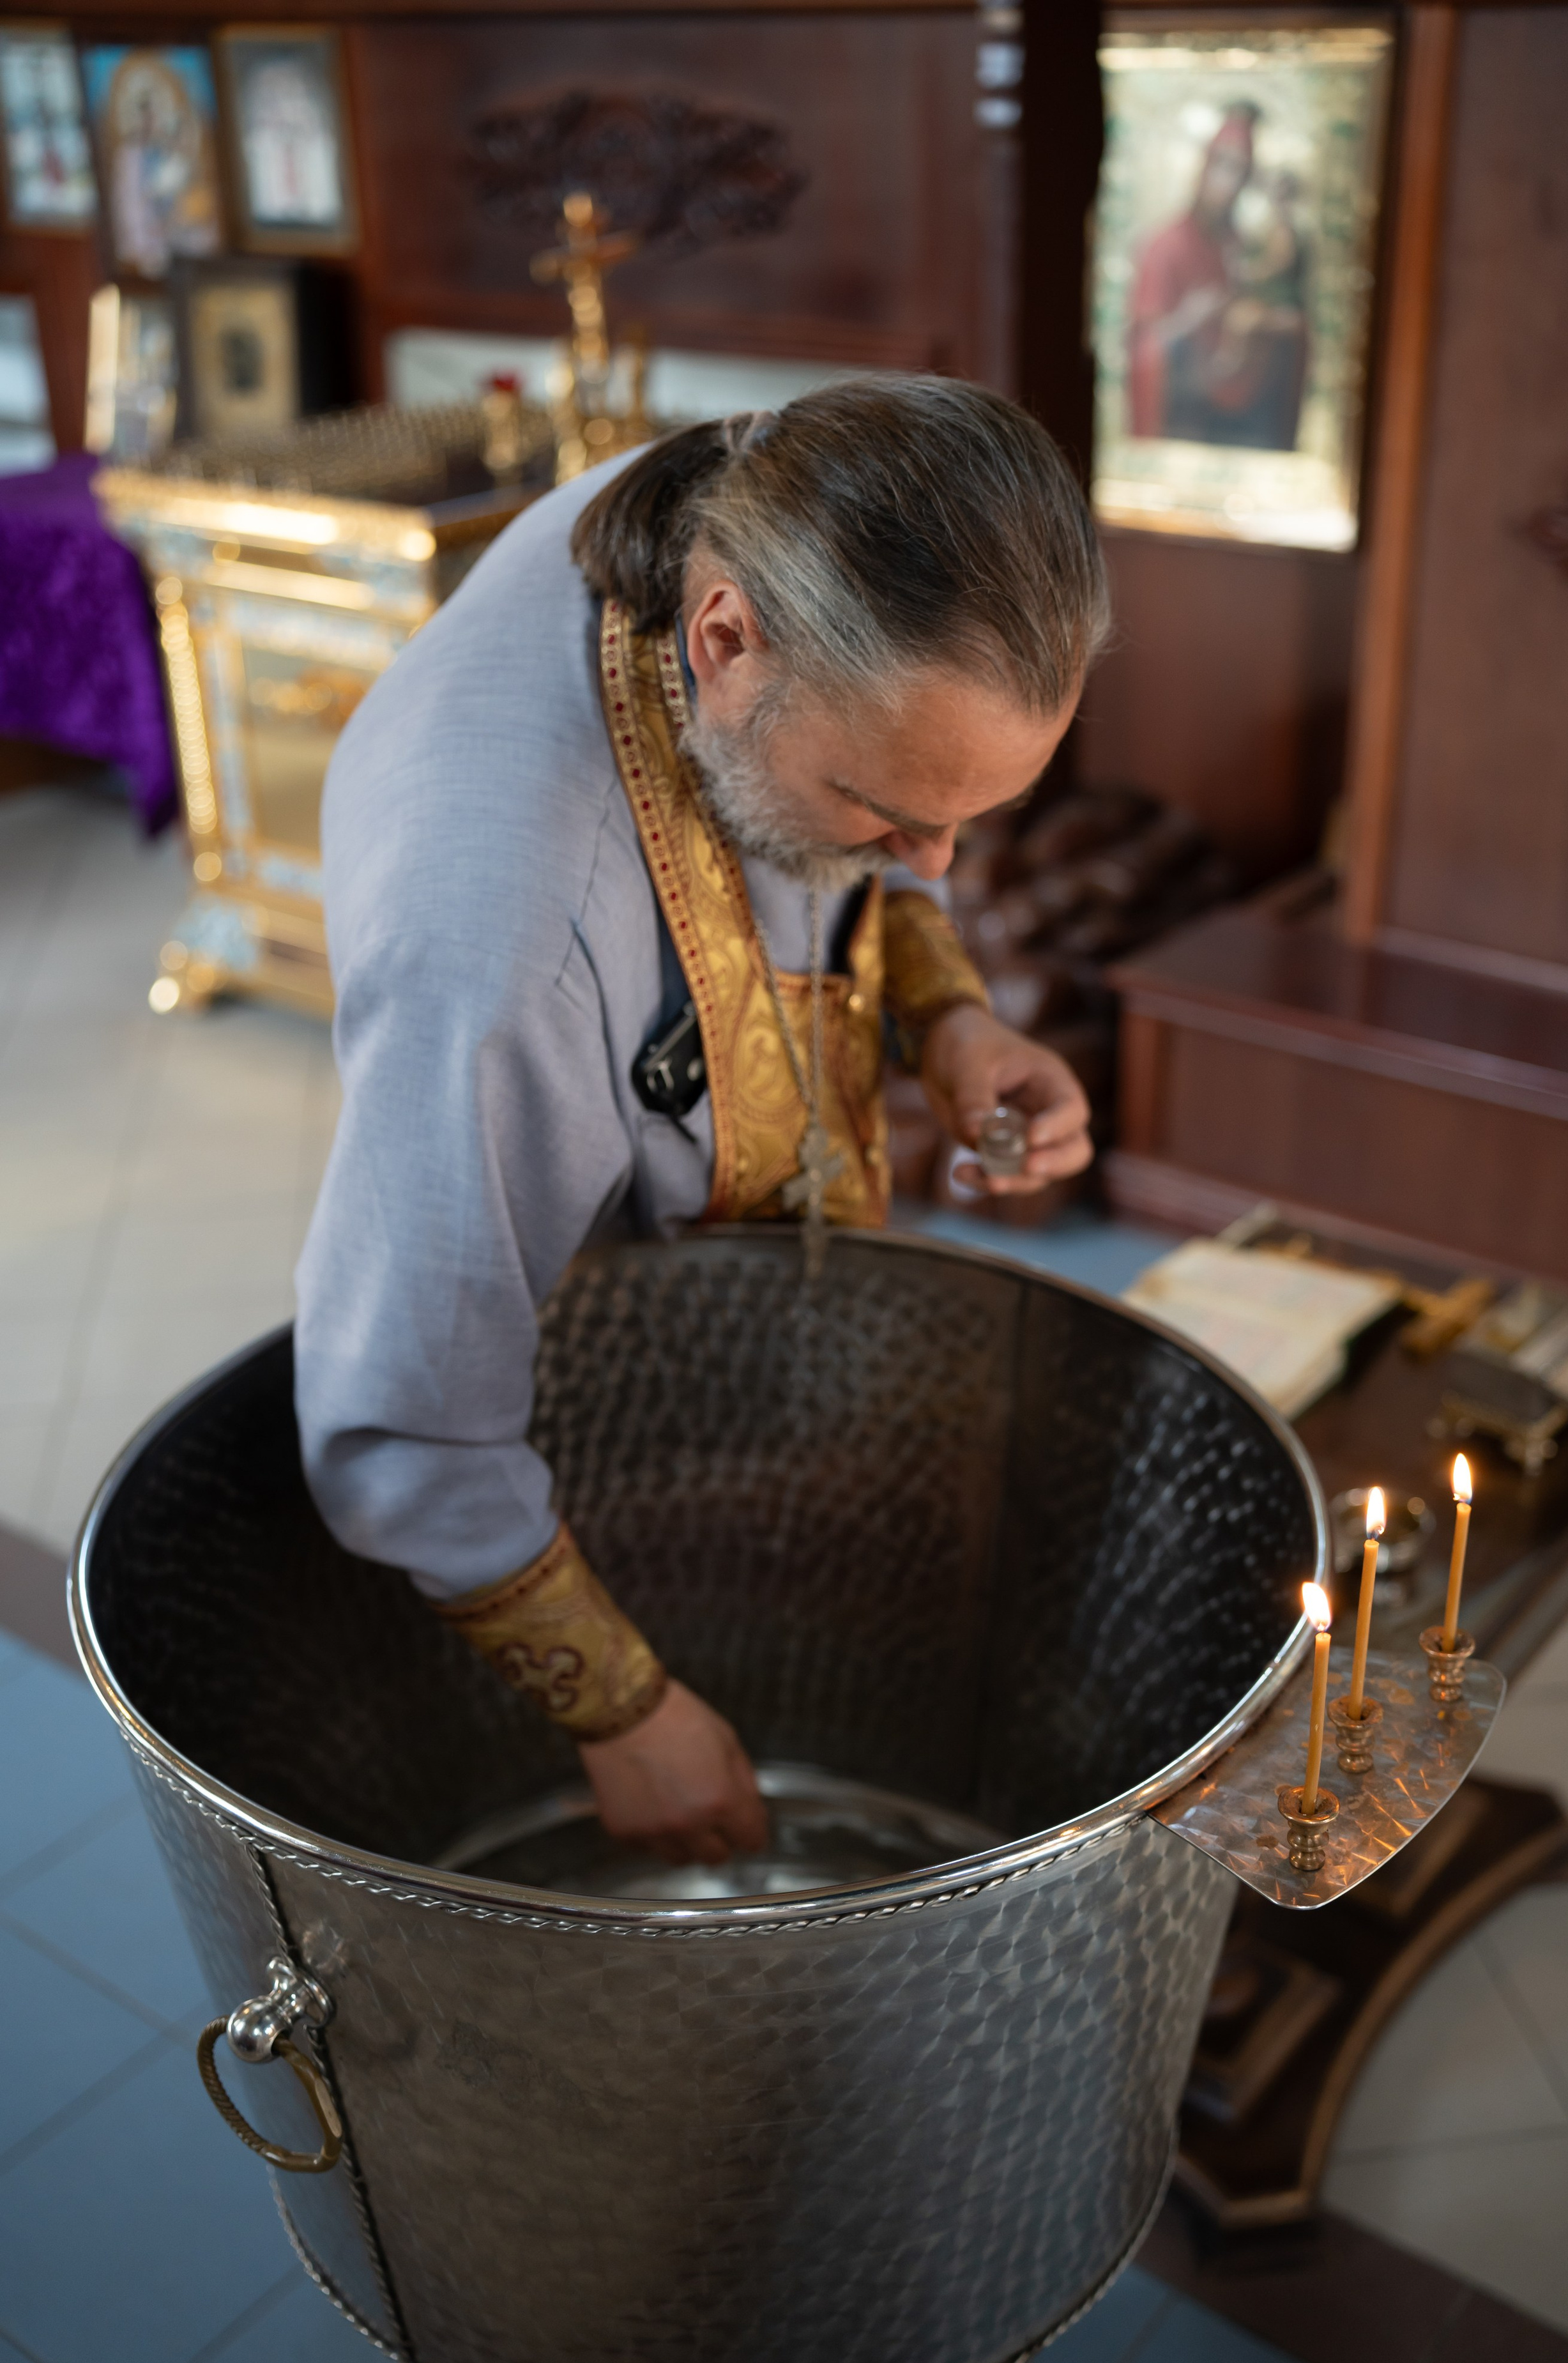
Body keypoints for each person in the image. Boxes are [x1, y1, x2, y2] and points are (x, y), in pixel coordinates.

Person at [295, 376, 1110, 1869]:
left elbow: (870, 854)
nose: (933, 864)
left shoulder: (799, 492)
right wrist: (622, 1712)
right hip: (561, 1378)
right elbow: (404, 1419)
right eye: (886, 811)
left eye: (966, 819)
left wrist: (948, 1017)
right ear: (722, 643)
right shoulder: (498, 952)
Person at [1125, 101, 1309, 452]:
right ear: (1203, 167)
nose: (1231, 184)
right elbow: (1144, 344)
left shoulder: (1243, 246)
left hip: (1245, 411)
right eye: (1224, 167)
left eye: (1243, 173)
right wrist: (1189, 319)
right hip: (1187, 415)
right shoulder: (1165, 246)